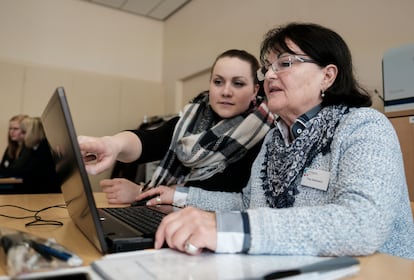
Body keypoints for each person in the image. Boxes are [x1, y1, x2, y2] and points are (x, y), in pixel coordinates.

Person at [135, 22, 414, 259]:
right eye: (267, 67)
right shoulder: (274, 139)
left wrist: (231, 228)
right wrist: (179, 199)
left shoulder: (364, 126)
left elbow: (362, 223)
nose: (269, 75)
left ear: (327, 76)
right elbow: (248, 204)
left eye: (285, 63)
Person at [78, 49, 275, 204]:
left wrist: (142, 192)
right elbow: (150, 140)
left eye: (238, 83)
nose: (225, 91)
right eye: (218, 82)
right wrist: (112, 144)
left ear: (254, 90)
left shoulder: (267, 135)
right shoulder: (190, 121)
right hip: (173, 220)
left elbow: (246, 203)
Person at [1, 117, 60, 193]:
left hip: (45, 194)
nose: (21, 136)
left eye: (24, 132)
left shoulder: (44, 149)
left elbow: (23, 172)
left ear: (33, 133)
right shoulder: (36, 148)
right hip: (37, 192)